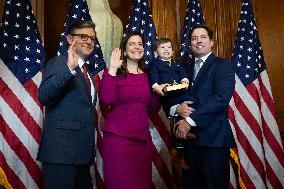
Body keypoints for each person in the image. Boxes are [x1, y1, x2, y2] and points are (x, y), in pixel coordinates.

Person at [171, 24, 236, 189]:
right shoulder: (183, 68)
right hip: (188, 145)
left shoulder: (223, 65)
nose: (198, 41)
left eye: (203, 37)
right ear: (190, 43)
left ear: (211, 42)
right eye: (194, 38)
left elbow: (221, 98)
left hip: (213, 143)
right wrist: (176, 108)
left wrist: (190, 121)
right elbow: (172, 95)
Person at [37, 20, 97, 189]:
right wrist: (69, 69)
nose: (89, 41)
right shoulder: (58, 63)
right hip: (61, 155)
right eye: (83, 36)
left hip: (82, 155)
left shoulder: (89, 74)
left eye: (92, 38)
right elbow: (44, 96)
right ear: (70, 39)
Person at [99, 31, 160, 189]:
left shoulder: (149, 76)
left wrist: (164, 90)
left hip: (142, 140)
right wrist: (112, 69)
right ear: (124, 50)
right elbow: (107, 99)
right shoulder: (115, 73)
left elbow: (153, 107)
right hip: (118, 139)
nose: (137, 47)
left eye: (140, 44)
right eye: (132, 43)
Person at [149, 38, 197, 169]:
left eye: (168, 47)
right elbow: (153, 77)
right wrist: (155, 86)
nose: (166, 50)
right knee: (176, 123)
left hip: (181, 93)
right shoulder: (155, 64)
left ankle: (189, 130)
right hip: (169, 97)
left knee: (193, 104)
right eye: (162, 47)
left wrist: (186, 80)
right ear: (155, 52)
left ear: (173, 51)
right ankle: (178, 153)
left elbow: (183, 74)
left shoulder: (176, 63)